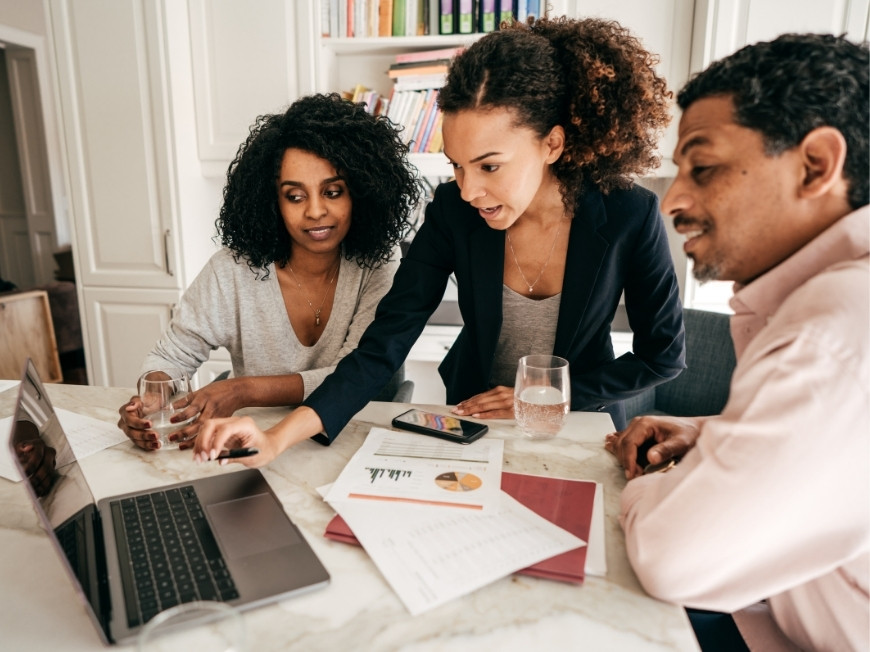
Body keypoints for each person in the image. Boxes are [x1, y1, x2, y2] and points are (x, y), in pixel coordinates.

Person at [193, 17, 685, 461]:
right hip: (472, 418)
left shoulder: (629, 214)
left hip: (574, 420)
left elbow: (662, 355)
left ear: (551, 144)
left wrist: (551, 395)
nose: (468, 190)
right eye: (457, 166)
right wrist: (278, 437)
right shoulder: (453, 209)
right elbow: (383, 345)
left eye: (489, 166)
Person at [604, 33, 869, 651]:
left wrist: (650, 488)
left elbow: (673, 557)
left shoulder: (831, 330)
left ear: (815, 165)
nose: (672, 200)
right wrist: (712, 435)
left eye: (703, 168)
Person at [118, 93, 420, 450]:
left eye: (333, 191)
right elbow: (171, 356)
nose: (315, 211)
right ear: (272, 200)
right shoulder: (232, 270)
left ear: (361, 192)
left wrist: (242, 389)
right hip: (254, 440)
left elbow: (355, 373)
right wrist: (152, 398)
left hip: (352, 436)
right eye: (295, 196)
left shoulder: (378, 262)